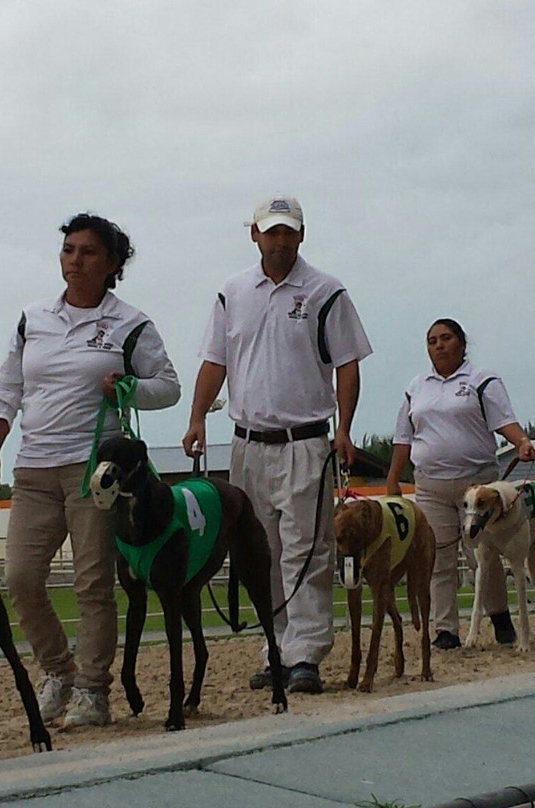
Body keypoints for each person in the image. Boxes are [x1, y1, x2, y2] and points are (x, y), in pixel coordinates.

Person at [0, 213, 180, 729]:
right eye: (69, 250)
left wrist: (129, 388)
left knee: (93, 583)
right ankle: (58, 671)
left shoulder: (131, 324)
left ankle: (94, 689)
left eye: (88, 252)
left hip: (95, 471)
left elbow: (169, 385)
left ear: (112, 263)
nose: (75, 260)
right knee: (21, 578)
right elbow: (8, 388)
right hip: (33, 469)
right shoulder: (34, 319)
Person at [181, 195, 372, 694]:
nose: (280, 240)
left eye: (289, 231)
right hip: (247, 443)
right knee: (259, 552)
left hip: (305, 439)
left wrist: (345, 427)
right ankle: (274, 648)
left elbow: (348, 363)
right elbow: (214, 361)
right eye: (272, 231)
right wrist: (198, 416)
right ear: (255, 235)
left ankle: (305, 653)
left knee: (306, 550)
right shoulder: (233, 292)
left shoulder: (326, 292)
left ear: (302, 235)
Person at [385, 318, 535, 650]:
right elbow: (403, 437)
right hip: (430, 485)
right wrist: (393, 478)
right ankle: (446, 630)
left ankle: (499, 618)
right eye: (432, 340)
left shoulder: (483, 381)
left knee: (484, 556)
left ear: (462, 344)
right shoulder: (416, 388)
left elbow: (504, 421)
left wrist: (521, 441)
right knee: (437, 558)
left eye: (446, 338)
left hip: (478, 486)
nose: (439, 345)